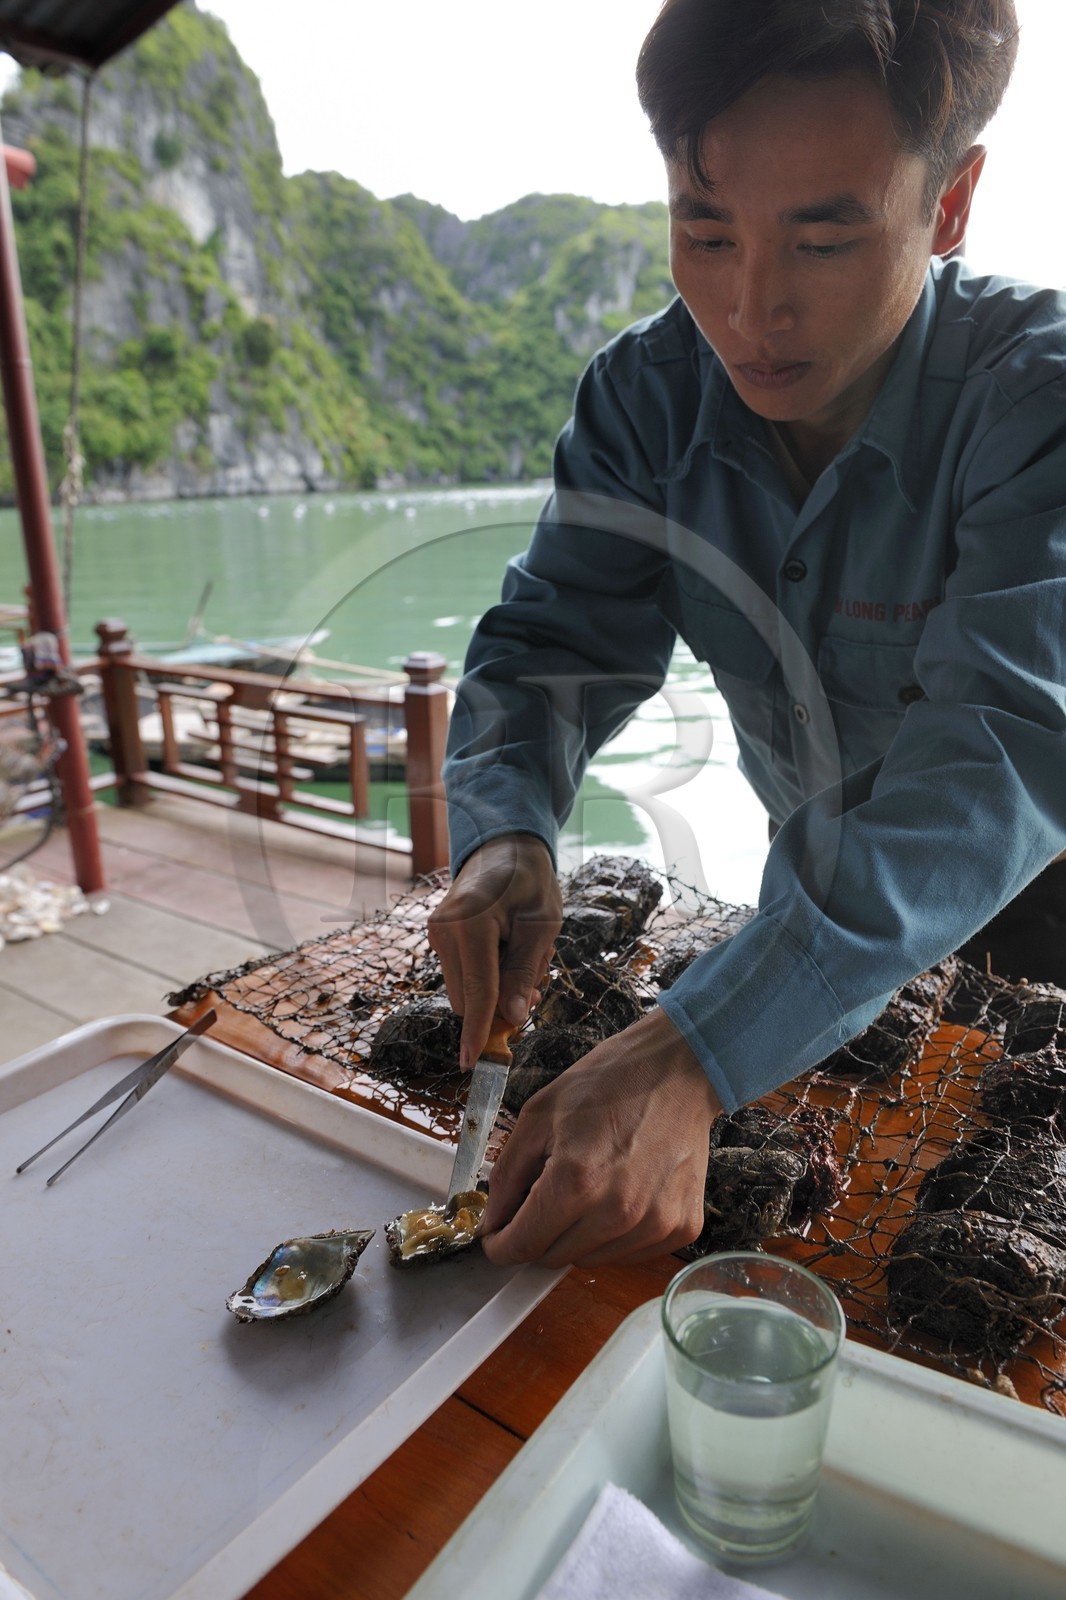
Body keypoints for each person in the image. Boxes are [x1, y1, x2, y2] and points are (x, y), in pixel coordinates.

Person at [427, 0, 1066, 1271]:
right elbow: (551, 638)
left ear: (949, 207)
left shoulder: (1034, 402)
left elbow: (996, 743)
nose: (749, 310)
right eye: (703, 231)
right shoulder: (643, 400)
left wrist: (694, 1048)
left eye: (824, 242)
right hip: (822, 921)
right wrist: (505, 830)